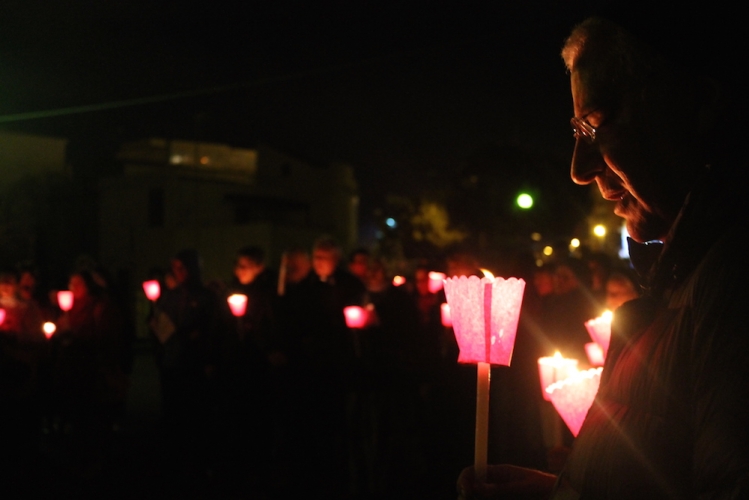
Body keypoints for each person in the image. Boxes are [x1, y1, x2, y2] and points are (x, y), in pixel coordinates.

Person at [459, 11, 748, 499]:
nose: (579, 168)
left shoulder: (733, 281)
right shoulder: (687, 281)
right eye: (577, 134)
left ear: (698, 101)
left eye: (596, 124)